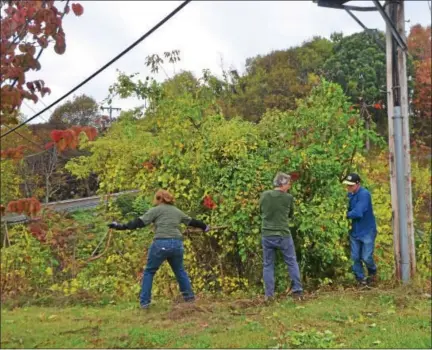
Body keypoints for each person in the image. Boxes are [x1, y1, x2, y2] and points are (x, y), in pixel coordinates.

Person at [108, 189, 209, 308]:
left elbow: (139, 222)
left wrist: (120, 226)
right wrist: (205, 226)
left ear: (159, 199)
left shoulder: (156, 210)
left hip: (161, 243)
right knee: (180, 271)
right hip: (177, 244)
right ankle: (190, 300)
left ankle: (144, 303)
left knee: (149, 272)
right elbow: (192, 221)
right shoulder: (177, 211)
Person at [259, 172, 303, 301]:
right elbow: (290, 214)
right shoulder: (288, 198)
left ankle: (269, 295)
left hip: (267, 234)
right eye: (288, 184)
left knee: (268, 265)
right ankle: (297, 292)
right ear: (282, 184)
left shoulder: (264, 195)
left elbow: (260, 211)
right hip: (283, 234)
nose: (289, 186)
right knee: (291, 262)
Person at [343, 173, 377, 286]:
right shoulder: (349, 195)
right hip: (355, 232)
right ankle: (361, 280)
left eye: (351, 185)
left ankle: (372, 273)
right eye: (347, 185)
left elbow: (358, 213)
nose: (349, 187)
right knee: (355, 258)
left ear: (358, 184)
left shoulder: (364, 194)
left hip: (367, 231)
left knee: (366, 257)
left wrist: (345, 214)